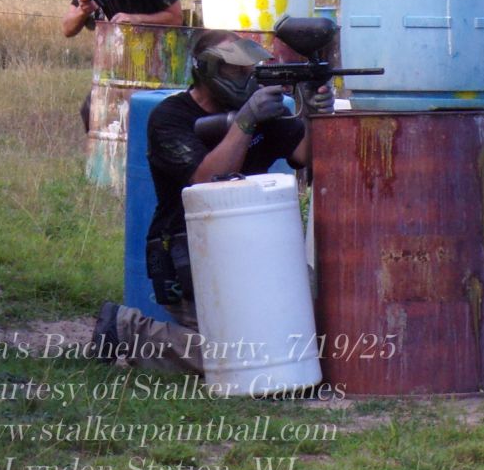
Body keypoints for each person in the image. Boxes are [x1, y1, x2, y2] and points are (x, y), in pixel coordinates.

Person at [91, 30, 333, 373]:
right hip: (189, 256)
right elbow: (208, 183)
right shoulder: (170, 118)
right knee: (251, 356)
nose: (246, 77)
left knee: (298, 330)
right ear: (206, 70)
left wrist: (315, 113)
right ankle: (128, 330)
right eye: (236, 70)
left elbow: (304, 154)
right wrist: (246, 121)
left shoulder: (260, 113)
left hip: (253, 251)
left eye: (248, 69)